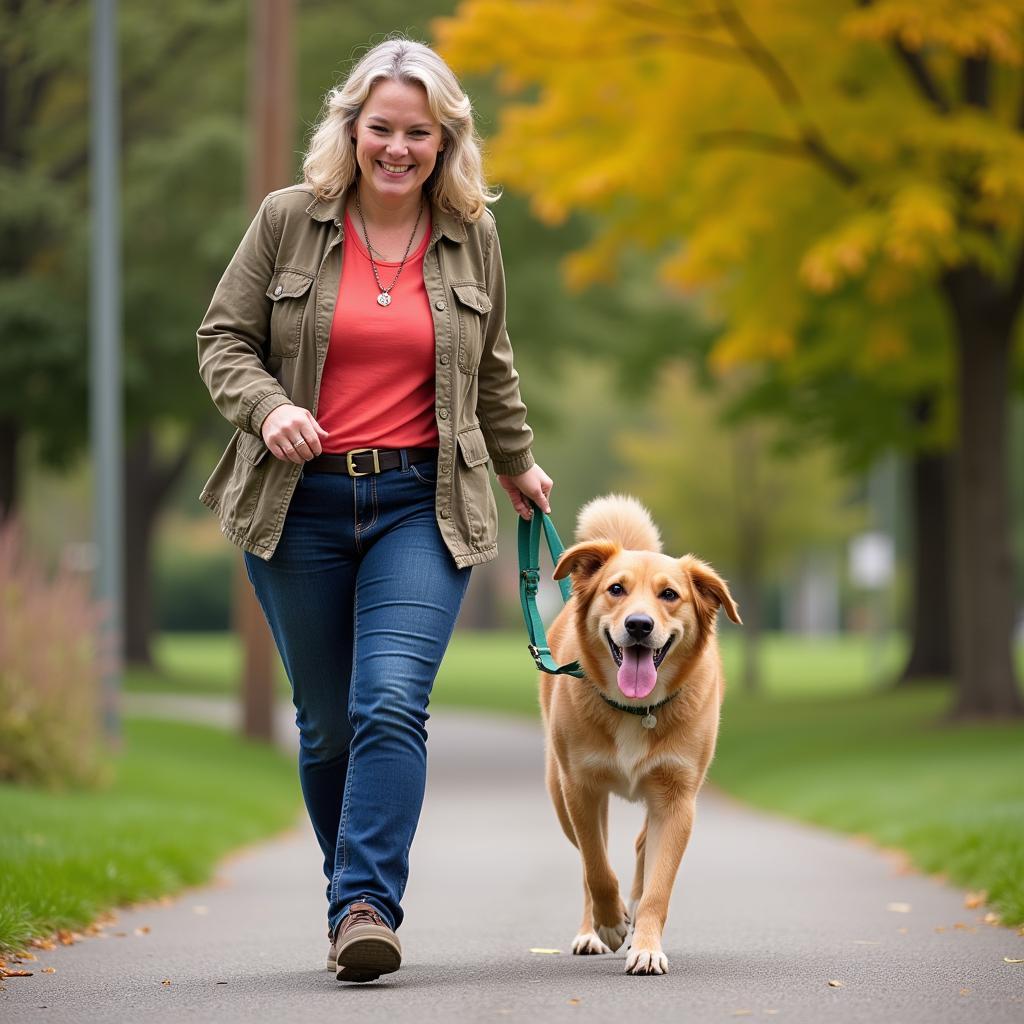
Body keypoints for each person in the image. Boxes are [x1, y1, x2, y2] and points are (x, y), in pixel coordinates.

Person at [196, 37, 552, 983]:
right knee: (328, 726)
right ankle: (349, 889)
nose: (397, 148)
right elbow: (223, 337)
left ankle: (363, 904)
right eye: (381, 128)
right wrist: (270, 408)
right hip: (297, 504)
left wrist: (518, 465)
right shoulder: (287, 221)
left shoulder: (472, 235)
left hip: (420, 503)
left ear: (446, 141)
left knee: (390, 700)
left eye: (418, 133)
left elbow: (495, 368)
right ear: (351, 127)